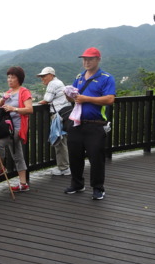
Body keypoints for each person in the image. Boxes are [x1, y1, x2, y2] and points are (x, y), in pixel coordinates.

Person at [64, 47, 116, 200]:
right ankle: (77, 184)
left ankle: (98, 188)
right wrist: (68, 95)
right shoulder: (79, 77)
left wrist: (86, 99)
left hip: (95, 124)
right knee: (74, 156)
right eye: (84, 59)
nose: (86, 62)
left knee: (96, 158)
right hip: (77, 123)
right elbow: (74, 98)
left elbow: (110, 99)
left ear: (98, 60)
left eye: (90, 59)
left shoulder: (106, 78)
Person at [0, 66, 33, 192]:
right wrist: (3, 98)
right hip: (8, 128)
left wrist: (14, 109)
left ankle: (0, 167)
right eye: (8, 77)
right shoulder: (9, 92)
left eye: (12, 77)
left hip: (17, 129)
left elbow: (30, 109)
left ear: (19, 79)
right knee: (18, 156)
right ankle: (23, 184)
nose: (9, 79)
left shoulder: (24, 92)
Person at [37, 66, 72, 176]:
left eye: (44, 76)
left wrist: (39, 102)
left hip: (59, 116)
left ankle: (64, 168)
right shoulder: (59, 82)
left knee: (59, 142)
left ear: (51, 75)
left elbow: (47, 99)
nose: (42, 78)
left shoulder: (52, 83)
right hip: (66, 114)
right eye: (41, 77)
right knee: (63, 141)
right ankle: (65, 166)